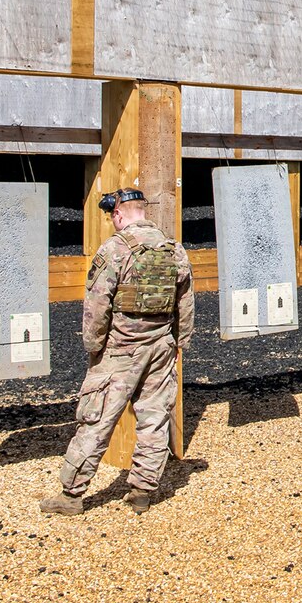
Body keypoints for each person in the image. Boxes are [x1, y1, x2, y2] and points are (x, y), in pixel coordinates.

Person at [42, 188, 192, 517]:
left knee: (96, 420)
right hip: (161, 346)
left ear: (119, 214)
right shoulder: (174, 250)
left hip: (121, 349)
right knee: (154, 419)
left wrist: (94, 347)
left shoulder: (114, 249)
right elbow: (185, 303)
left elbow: (97, 306)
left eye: (112, 216)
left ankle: (71, 495)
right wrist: (180, 343)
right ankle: (142, 491)